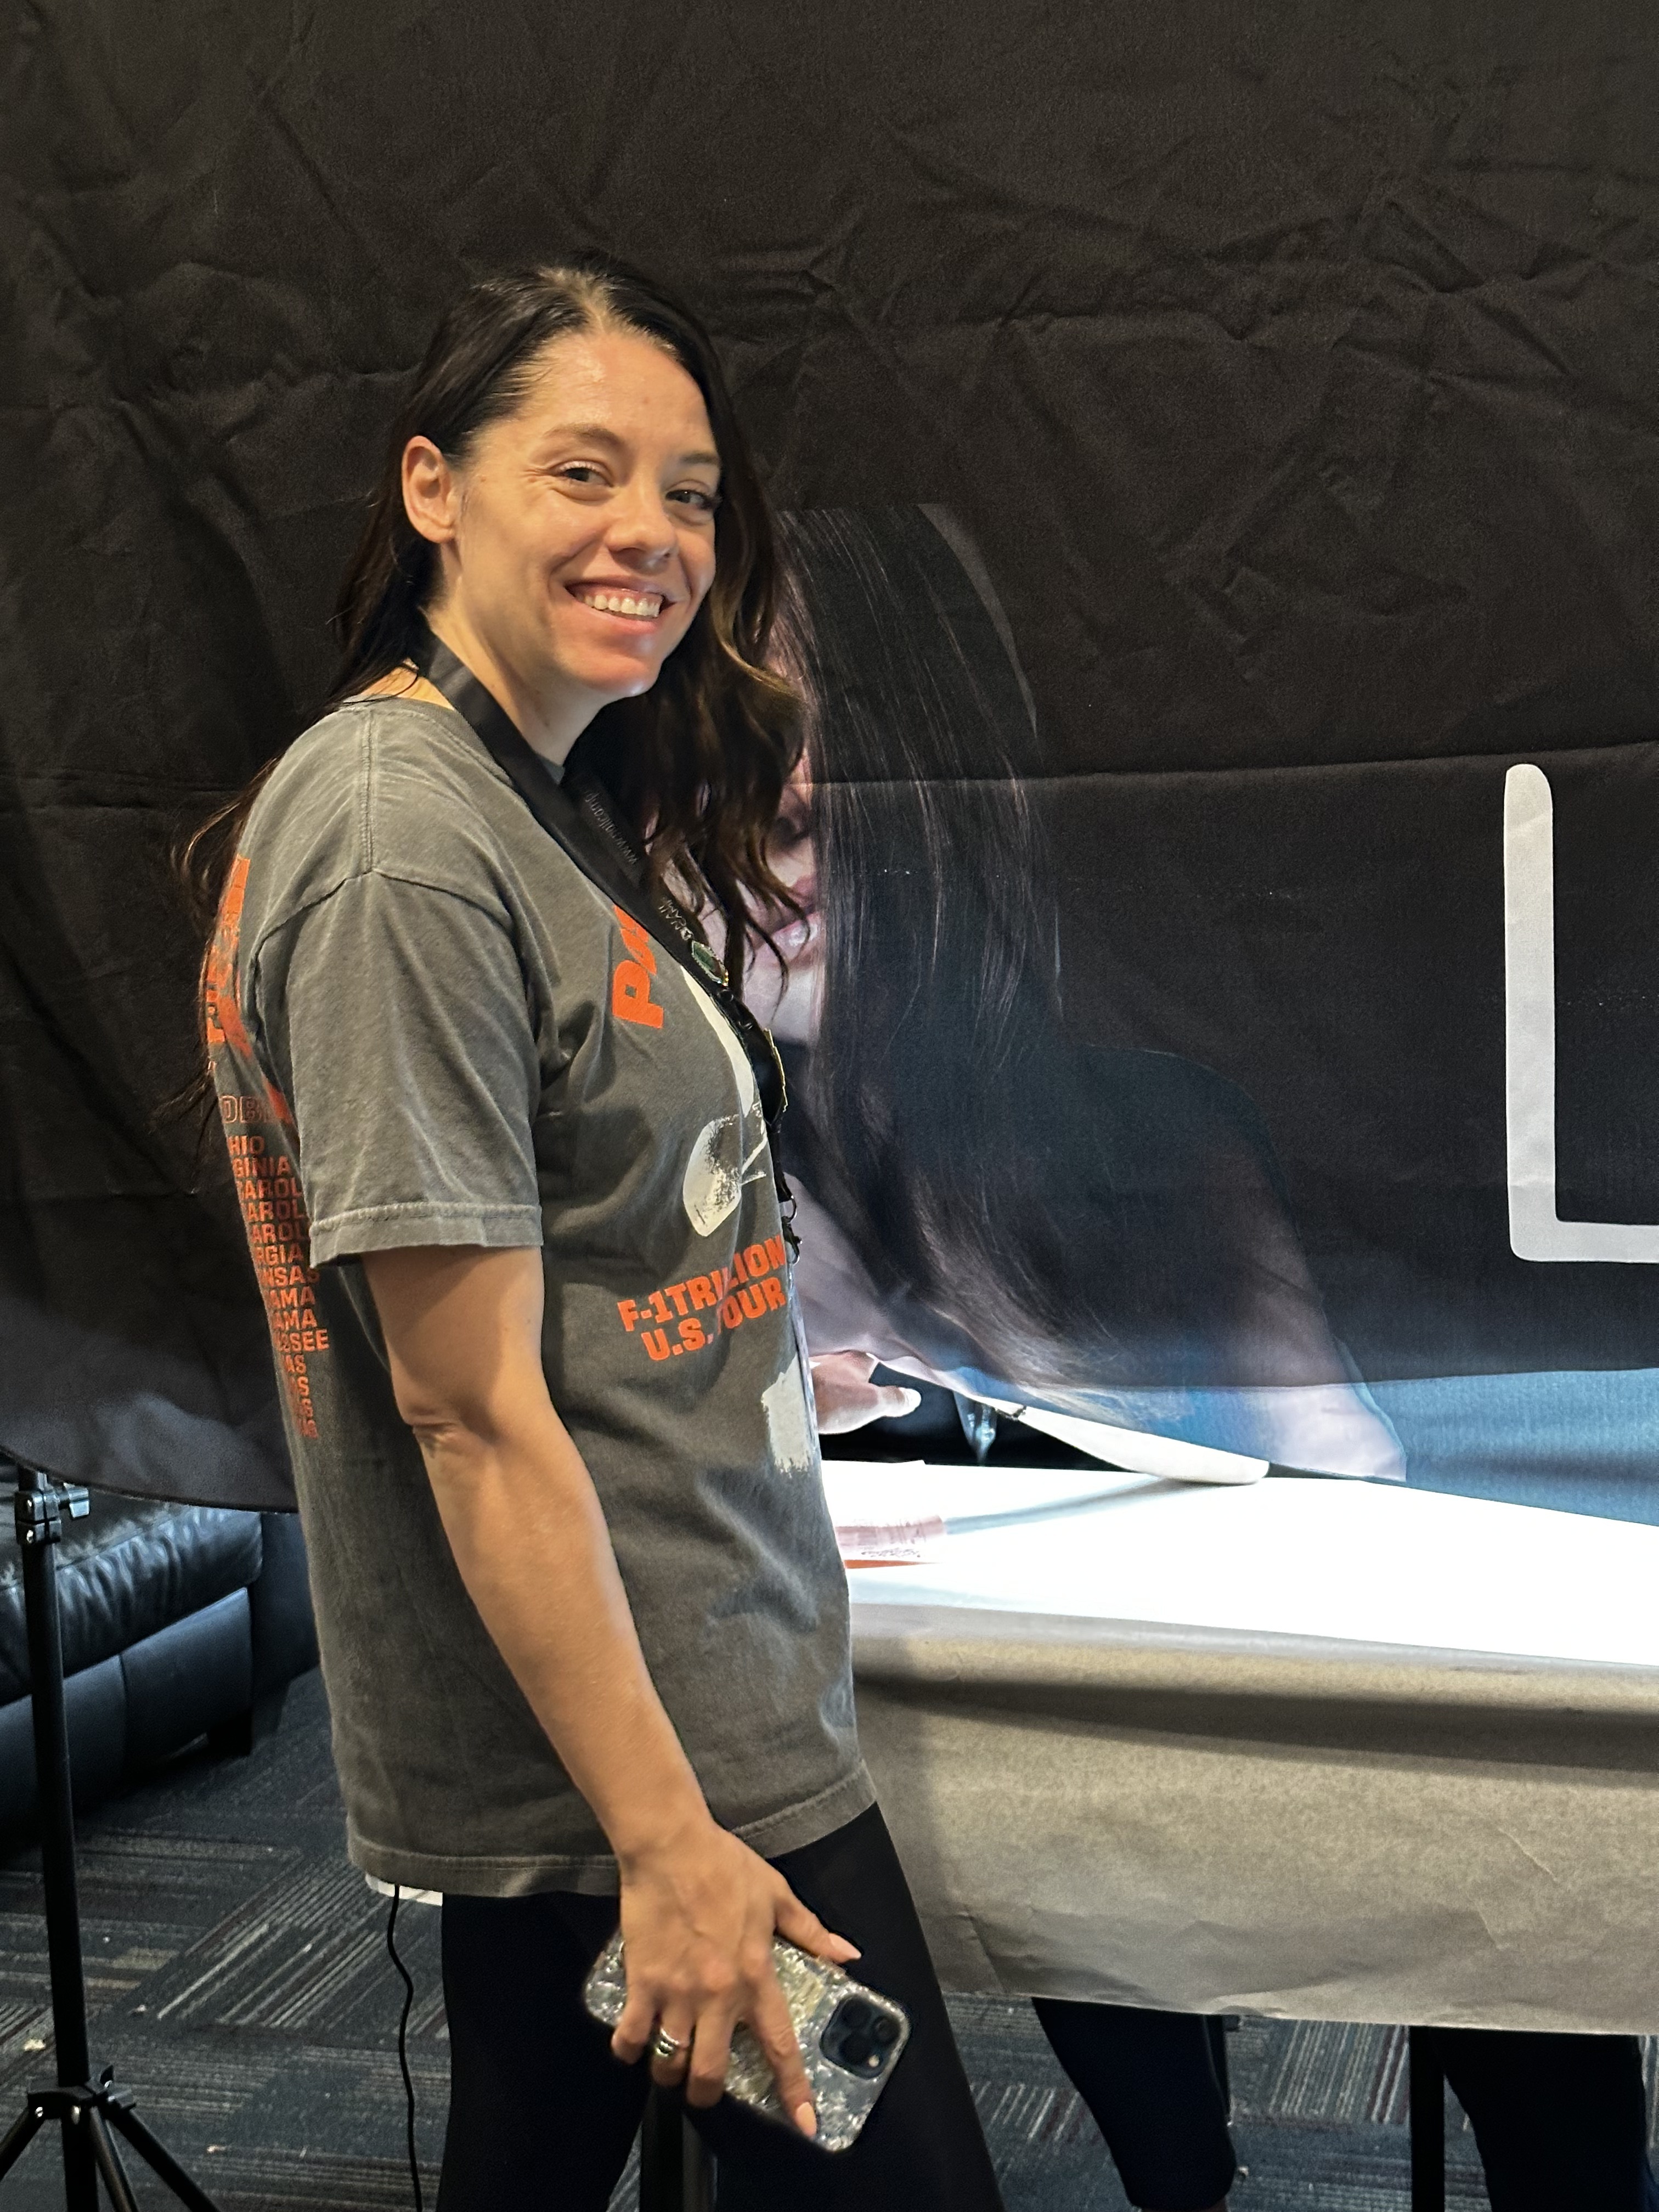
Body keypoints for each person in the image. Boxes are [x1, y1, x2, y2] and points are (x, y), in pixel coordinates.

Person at [190, 262, 1003, 2211]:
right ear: (433, 488)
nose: (652, 532)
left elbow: (571, 1262)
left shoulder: (523, 796)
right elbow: (463, 1411)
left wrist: (744, 1372)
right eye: (582, 471)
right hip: (656, 1764)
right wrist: (666, 1840)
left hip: (639, 1711)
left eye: (690, 492)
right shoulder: (400, 843)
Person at [745, 501, 1659, 2212]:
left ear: (933, 788)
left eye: (811, 744)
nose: (768, 814)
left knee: (1495, 1862)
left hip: (1199, 1745)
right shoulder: (688, 1179)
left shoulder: (1156, 1141)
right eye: (711, 747)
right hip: (893, 1759)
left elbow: (1359, 1495)